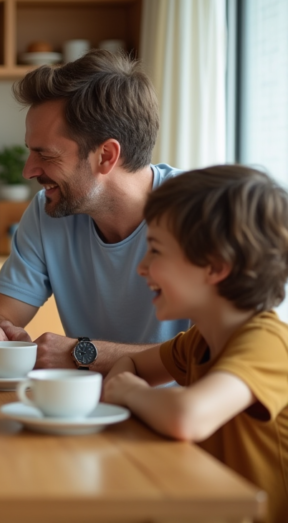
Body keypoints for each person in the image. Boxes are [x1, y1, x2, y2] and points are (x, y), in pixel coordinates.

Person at [0, 50, 189, 373]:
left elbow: (225, 352)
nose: (28, 170)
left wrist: (86, 354)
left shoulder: (201, 214)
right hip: (86, 412)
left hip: (179, 415)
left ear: (106, 156)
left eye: (45, 155)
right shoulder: (48, 212)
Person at [103, 165, 288, 523]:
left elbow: (186, 416)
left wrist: (128, 392)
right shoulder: (198, 341)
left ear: (215, 267)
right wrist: (127, 383)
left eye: (155, 250)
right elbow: (134, 365)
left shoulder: (268, 344)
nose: (142, 267)